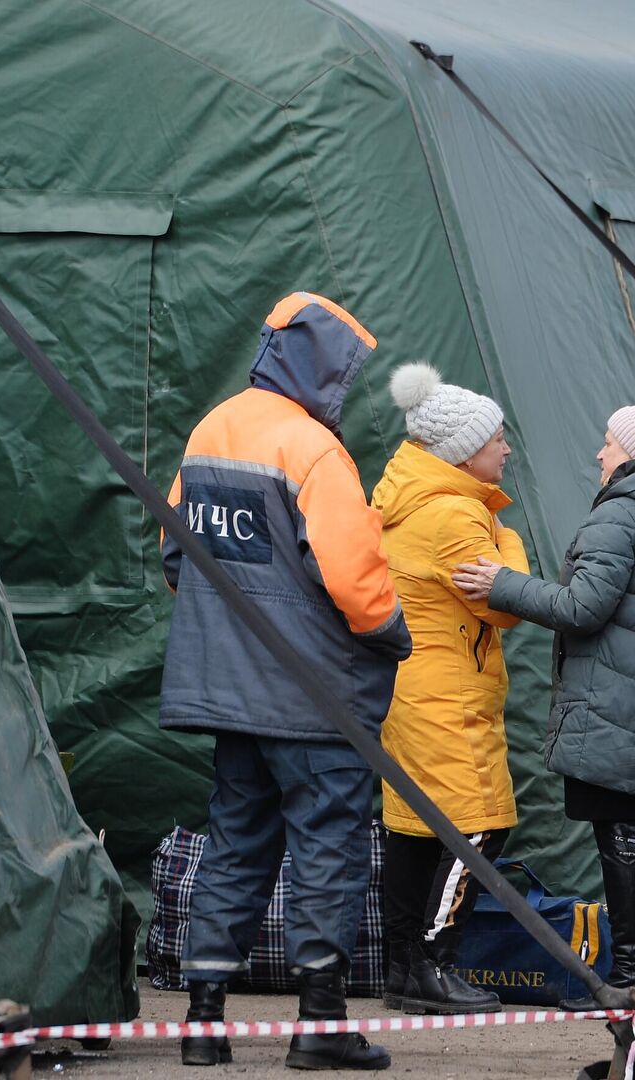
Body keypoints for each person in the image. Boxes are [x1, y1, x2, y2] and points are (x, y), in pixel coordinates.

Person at [160, 291, 411, 1071]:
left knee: (235, 844)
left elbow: (177, 557)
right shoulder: (311, 449)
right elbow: (355, 579)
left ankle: (204, 1021)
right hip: (313, 700)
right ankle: (321, 1022)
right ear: (319, 364)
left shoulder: (211, 429)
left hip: (230, 694)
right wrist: (391, 636)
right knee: (326, 851)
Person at [452, 400, 635, 1020]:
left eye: (611, 443)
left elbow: (583, 607)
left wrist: (501, 585)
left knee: (622, 836)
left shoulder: (622, 514)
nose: (600, 453)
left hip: (613, 703)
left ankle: (632, 980)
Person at [372, 362, 530, 1015]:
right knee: (482, 826)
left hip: (408, 692)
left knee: (415, 830)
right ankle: (435, 963)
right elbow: (505, 604)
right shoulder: (458, 519)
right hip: (450, 698)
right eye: (497, 438)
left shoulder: (405, 502)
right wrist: (511, 540)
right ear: (465, 452)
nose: (507, 448)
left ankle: (403, 969)